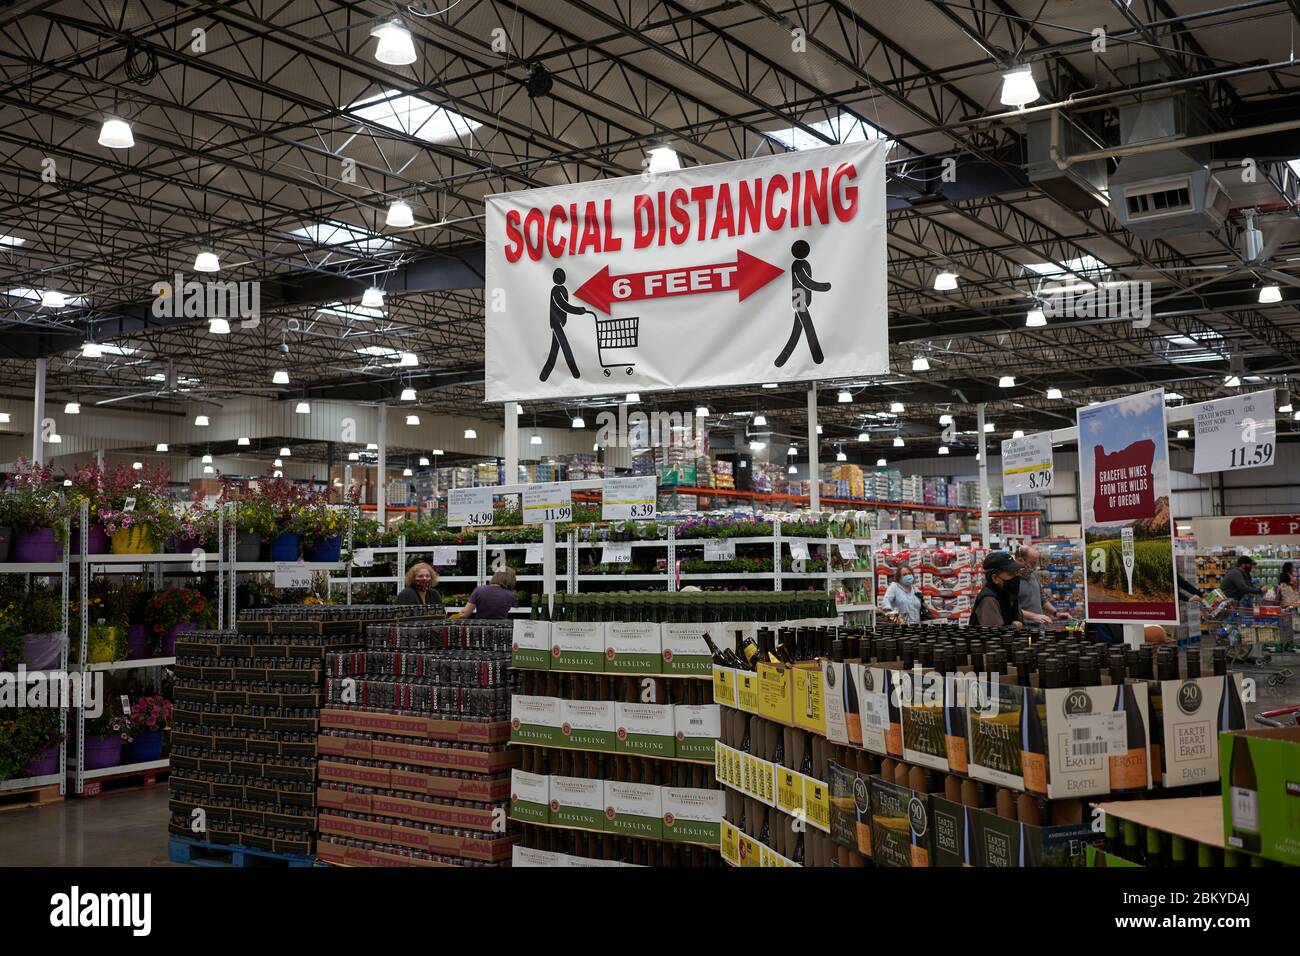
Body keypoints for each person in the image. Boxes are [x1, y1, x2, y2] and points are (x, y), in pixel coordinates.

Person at [774, 240, 828, 367]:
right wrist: (823, 287)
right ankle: (816, 355)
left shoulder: (802, 263)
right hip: (799, 299)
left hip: (801, 298)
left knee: (797, 330)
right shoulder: (799, 265)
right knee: (805, 328)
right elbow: (804, 281)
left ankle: (784, 358)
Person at [540, 268, 592, 381]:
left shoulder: (562, 290)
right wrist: (579, 310)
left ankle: (544, 375)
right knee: (565, 347)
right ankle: (575, 372)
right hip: (556, 323)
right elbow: (563, 305)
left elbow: (565, 305)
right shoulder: (556, 290)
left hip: (560, 323)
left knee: (554, 351)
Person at [969, 551, 1025, 628]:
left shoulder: (1007, 594)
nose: (1015, 577)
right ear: (995, 578)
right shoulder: (989, 599)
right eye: (1010, 574)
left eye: (1016, 573)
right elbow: (995, 633)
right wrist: (1014, 626)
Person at [1014, 545, 1068, 624]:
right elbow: (1010, 609)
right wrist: (1034, 616)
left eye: (1036, 562)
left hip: (1039, 626)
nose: (1035, 566)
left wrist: (1056, 613)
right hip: (1023, 629)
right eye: (1033, 563)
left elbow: (1043, 600)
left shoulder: (1033, 575)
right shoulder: (1011, 580)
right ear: (1020, 560)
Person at [453, 568, 519, 620]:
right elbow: (516, 605)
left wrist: (451, 618)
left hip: (481, 629)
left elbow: (465, 614)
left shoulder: (479, 590)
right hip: (501, 629)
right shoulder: (510, 595)